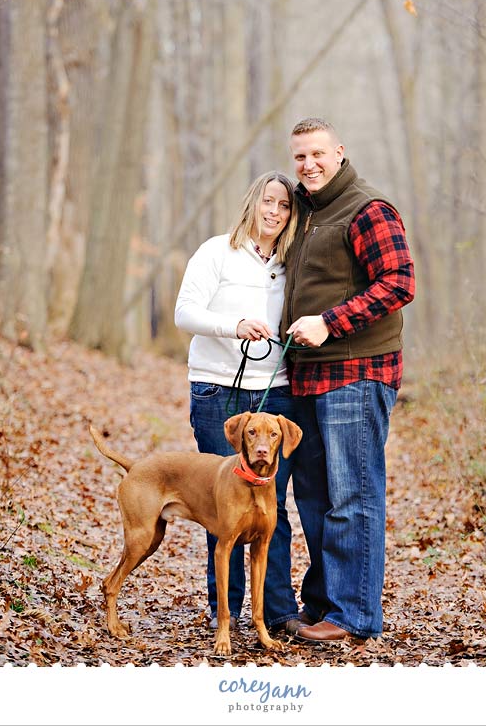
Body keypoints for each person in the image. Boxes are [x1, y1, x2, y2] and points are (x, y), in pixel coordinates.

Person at [280, 118, 415, 643]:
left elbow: (399, 282)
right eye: (299, 157)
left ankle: (354, 615)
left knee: (352, 497)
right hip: (307, 378)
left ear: (339, 152)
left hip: (357, 374)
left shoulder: (366, 208)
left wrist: (329, 321)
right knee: (314, 499)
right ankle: (323, 606)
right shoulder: (305, 211)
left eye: (317, 154)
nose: (308, 165)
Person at [174, 171, 304, 636]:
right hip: (218, 392)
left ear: (292, 215)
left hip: (275, 394)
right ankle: (223, 615)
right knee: (224, 509)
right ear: (252, 203)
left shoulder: (292, 263)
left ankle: (278, 614)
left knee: (275, 511)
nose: (274, 212)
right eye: (267, 202)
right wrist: (235, 325)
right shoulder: (216, 251)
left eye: (284, 206)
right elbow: (184, 312)